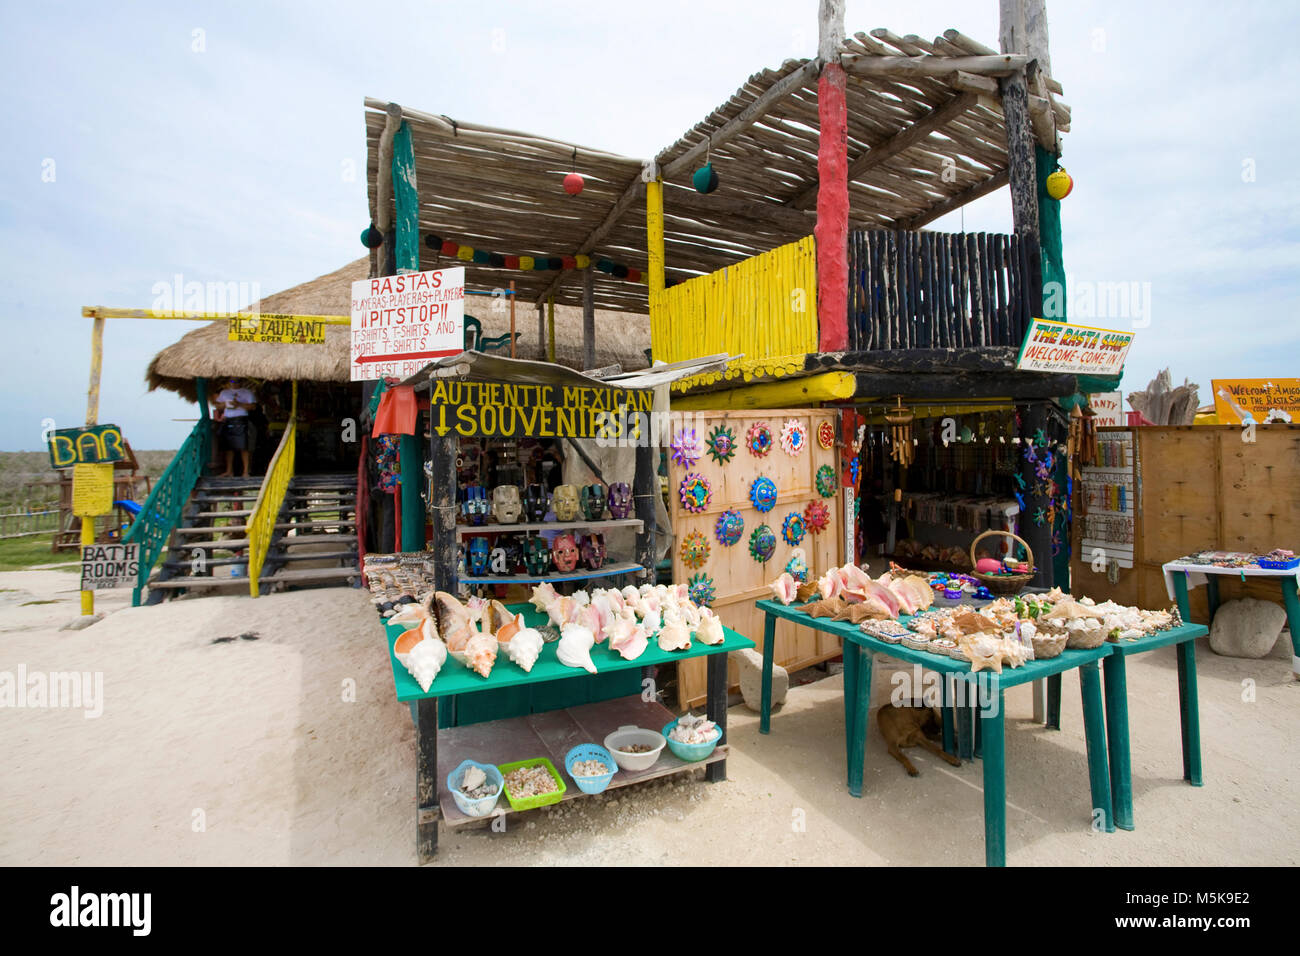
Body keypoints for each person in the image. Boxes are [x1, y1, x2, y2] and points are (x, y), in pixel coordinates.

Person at [214, 377, 258, 477]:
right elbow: (217, 406)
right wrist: (225, 404)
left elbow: (253, 407)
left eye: (237, 381)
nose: (234, 383)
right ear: (229, 382)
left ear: (241, 382)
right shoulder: (224, 393)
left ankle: (245, 472)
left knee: (244, 446)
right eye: (232, 381)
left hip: (241, 419)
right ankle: (229, 471)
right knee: (229, 447)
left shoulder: (247, 392)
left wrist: (239, 404)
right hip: (228, 419)